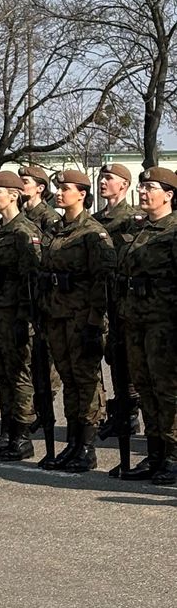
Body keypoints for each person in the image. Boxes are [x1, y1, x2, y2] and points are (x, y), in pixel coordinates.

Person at [37, 169, 116, 472]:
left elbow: (102, 281)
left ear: (82, 194)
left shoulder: (92, 233)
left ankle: (87, 445)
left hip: (83, 318)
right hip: (57, 315)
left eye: (66, 188)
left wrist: (96, 323)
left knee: (86, 380)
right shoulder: (57, 230)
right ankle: (72, 441)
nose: (59, 192)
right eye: (58, 188)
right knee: (68, 379)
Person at [0, 172, 43, 460]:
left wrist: (24, 319)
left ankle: (22, 435)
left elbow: (32, 280)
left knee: (19, 375)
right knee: (1, 374)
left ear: (14, 195)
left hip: (14, 315)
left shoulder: (24, 232)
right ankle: (6, 432)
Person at [117, 167, 177, 484]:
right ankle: (155, 454)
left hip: (165, 325)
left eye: (150, 187)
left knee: (169, 392)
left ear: (168, 195)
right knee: (146, 390)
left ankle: (174, 455)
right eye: (141, 187)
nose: (143, 192)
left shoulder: (174, 231)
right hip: (137, 324)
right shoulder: (139, 231)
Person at [94, 161, 145, 440]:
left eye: (109, 178)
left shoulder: (134, 219)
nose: (103, 182)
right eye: (102, 178)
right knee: (112, 354)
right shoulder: (96, 220)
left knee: (129, 357)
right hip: (102, 298)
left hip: (125, 298)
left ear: (124, 185)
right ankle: (119, 411)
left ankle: (131, 411)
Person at [19, 165, 60, 238]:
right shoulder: (19, 213)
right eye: (19, 182)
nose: (20, 186)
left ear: (40, 188)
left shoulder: (50, 217)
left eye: (25, 182)